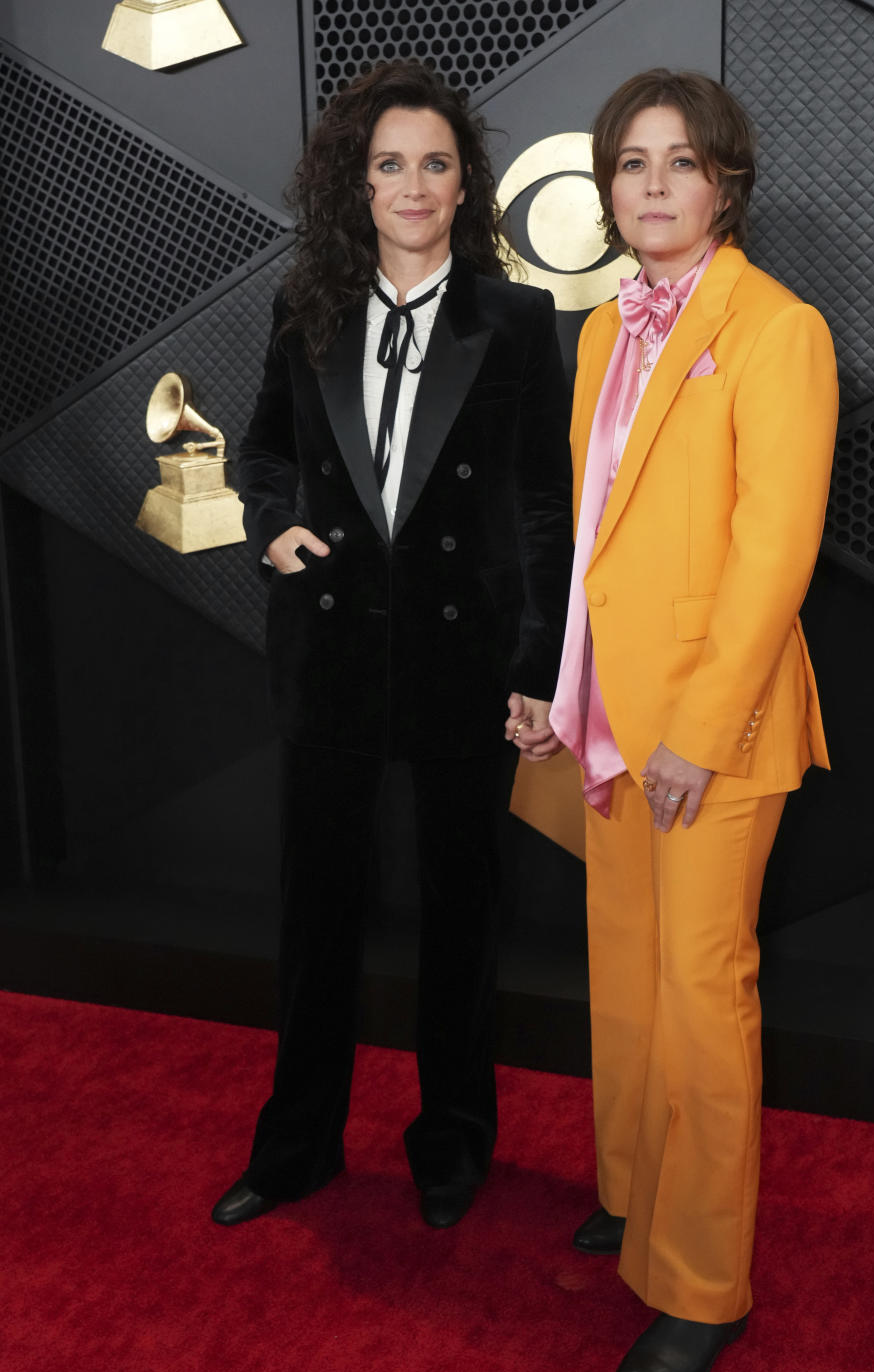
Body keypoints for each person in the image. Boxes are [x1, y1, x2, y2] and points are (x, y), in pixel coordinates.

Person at [213, 60, 571, 1232]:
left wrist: (532, 668)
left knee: (462, 913)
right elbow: (258, 452)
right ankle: (298, 1145)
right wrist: (271, 528)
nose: (412, 186)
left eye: (434, 163)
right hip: (329, 651)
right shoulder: (301, 303)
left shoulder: (514, 318)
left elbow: (537, 507)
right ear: (352, 184)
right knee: (316, 910)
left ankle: (453, 1143)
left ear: (466, 183)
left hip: (464, 659)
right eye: (388, 165)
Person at [548, 70, 839, 1372]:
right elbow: (593, 541)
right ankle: (636, 1192)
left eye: (679, 162)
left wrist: (700, 730)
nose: (652, 184)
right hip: (610, 720)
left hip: (711, 734)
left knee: (699, 999)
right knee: (623, 975)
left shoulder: (777, 331)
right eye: (629, 164)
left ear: (724, 182)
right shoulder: (608, 330)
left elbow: (773, 557)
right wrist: (560, 697)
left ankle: (705, 1283)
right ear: (606, 189)